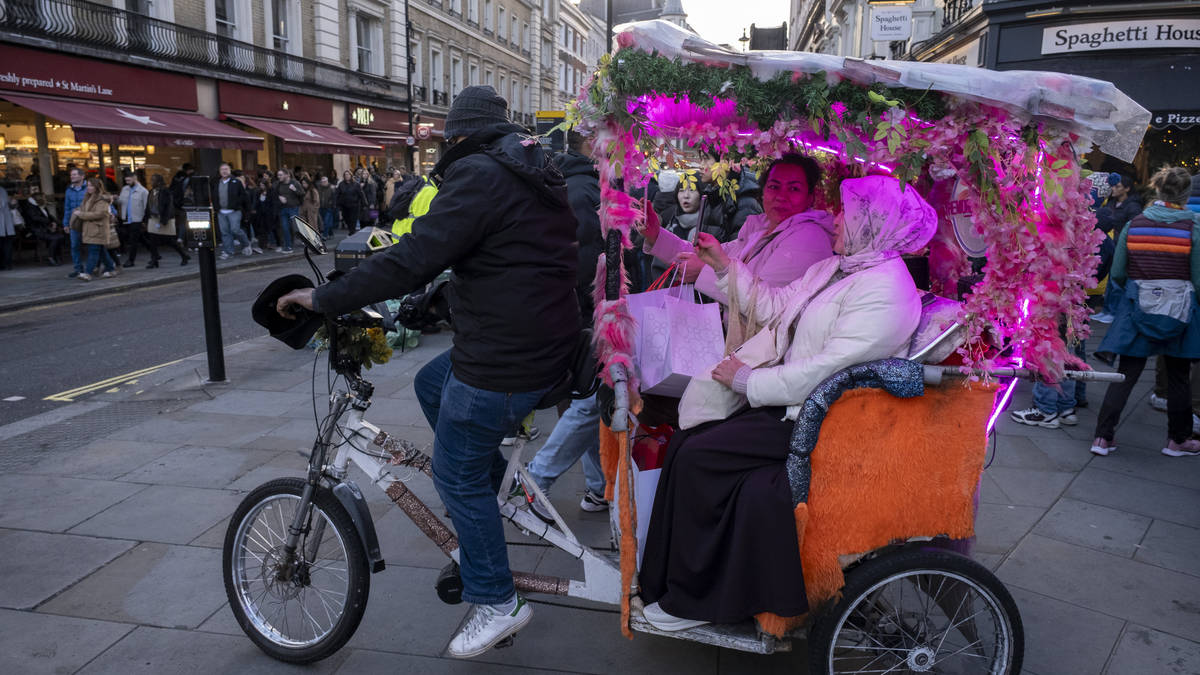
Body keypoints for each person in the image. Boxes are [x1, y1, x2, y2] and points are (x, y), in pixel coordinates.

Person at [274, 85, 579, 658]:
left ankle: (497, 601)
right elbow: (500, 254)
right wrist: (442, 298)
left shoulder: (481, 175)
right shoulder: (526, 169)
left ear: (458, 136)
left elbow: (415, 257)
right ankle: (495, 494)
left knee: (454, 474)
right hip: (541, 341)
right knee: (429, 381)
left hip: (506, 359)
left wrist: (324, 298)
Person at [637, 175, 935, 631]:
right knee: (686, 440)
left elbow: (830, 371)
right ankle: (666, 581)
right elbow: (776, 306)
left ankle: (696, 602)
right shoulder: (839, 267)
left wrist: (749, 382)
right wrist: (724, 267)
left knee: (699, 456)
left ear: (872, 225)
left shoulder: (886, 291)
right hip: (792, 403)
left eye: (847, 212)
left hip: (820, 421)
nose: (836, 219)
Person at [524, 131, 608, 516]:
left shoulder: (578, 182)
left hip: (580, 312)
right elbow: (588, 263)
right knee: (589, 400)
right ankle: (538, 478)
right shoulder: (582, 189)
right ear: (591, 143)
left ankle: (598, 486)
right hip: (588, 314)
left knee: (588, 398)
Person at [1091, 167, 1200, 458]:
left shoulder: (1135, 223)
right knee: (1178, 375)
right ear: (1185, 194)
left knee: (1126, 373)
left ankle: (1102, 437)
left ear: (1158, 189)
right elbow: (1198, 277)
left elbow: (1117, 272)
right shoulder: (1194, 226)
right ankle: (1177, 440)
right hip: (1179, 310)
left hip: (1138, 306)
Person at [638, 153, 835, 305]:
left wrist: (703, 274)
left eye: (794, 189)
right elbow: (705, 256)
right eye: (774, 187)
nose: (781, 196)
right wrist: (656, 234)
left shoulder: (809, 237)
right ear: (763, 192)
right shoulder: (760, 229)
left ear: (810, 197)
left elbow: (766, 304)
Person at [73, 178, 118, 281]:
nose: (88, 188)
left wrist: (81, 214)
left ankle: (87, 273)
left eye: (91, 185)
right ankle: (111, 269)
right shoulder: (88, 197)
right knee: (101, 251)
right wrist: (78, 211)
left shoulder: (102, 199)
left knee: (93, 251)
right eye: (88, 185)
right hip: (90, 229)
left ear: (97, 187)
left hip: (98, 230)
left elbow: (100, 214)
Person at [144, 174, 189, 267]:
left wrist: (164, 220)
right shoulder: (151, 191)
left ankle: (184, 255)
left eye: (153, 180)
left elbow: (169, 207)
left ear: (158, 182)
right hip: (153, 218)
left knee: (169, 240)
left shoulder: (165, 191)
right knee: (152, 241)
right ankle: (154, 260)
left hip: (164, 218)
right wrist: (146, 218)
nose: (151, 182)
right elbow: (148, 205)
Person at [19, 185, 66, 266]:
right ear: (39, 199)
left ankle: (55, 256)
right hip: (35, 231)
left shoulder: (41, 206)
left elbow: (50, 217)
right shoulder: (30, 207)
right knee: (55, 238)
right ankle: (51, 257)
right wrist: (50, 223)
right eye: (44, 197)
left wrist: (58, 223)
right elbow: (35, 218)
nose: (45, 199)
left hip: (44, 229)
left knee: (60, 236)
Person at [116, 170, 150, 267]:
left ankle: (131, 260)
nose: (127, 183)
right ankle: (154, 253)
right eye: (126, 181)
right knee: (141, 239)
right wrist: (115, 198)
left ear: (135, 178)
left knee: (133, 241)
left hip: (137, 219)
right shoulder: (125, 189)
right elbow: (120, 201)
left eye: (129, 181)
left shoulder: (143, 191)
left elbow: (146, 207)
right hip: (126, 219)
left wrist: (144, 220)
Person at [62, 166, 88, 278]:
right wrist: (66, 224)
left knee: (91, 245)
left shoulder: (89, 188)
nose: (72, 177)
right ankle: (78, 269)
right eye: (71, 175)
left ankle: (93, 267)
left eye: (74, 174)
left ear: (82, 176)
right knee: (75, 246)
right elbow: (67, 208)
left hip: (88, 221)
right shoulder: (69, 191)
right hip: (74, 222)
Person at [274, 168, 302, 253]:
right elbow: (274, 194)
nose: (278, 177)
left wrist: (295, 190)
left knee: (295, 227)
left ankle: (307, 240)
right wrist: (279, 197)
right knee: (285, 227)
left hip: (293, 208)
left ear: (287, 175)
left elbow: (302, 194)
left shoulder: (295, 183)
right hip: (283, 209)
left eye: (280, 175)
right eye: (278, 175)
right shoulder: (278, 184)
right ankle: (288, 246)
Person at [335, 170, 364, 234]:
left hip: (354, 205)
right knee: (346, 219)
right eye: (345, 175)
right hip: (344, 206)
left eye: (348, 174)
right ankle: (351, 230)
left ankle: (352, 232)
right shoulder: (341, 184)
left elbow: (361, 194)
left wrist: (364, 203)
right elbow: (337, 194)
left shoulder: (356, 184)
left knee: (353, 220)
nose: (347, 176)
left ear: (351, 175)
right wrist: (336, 203)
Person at [0, 185, 14, 270]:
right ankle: (4, 264)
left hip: (6, 222)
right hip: (4, 223)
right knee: (4, 244)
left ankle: (7, 263)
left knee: (7, 244)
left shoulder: (2, 190)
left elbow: (9, 205)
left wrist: (13, 203)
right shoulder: (3, 190)